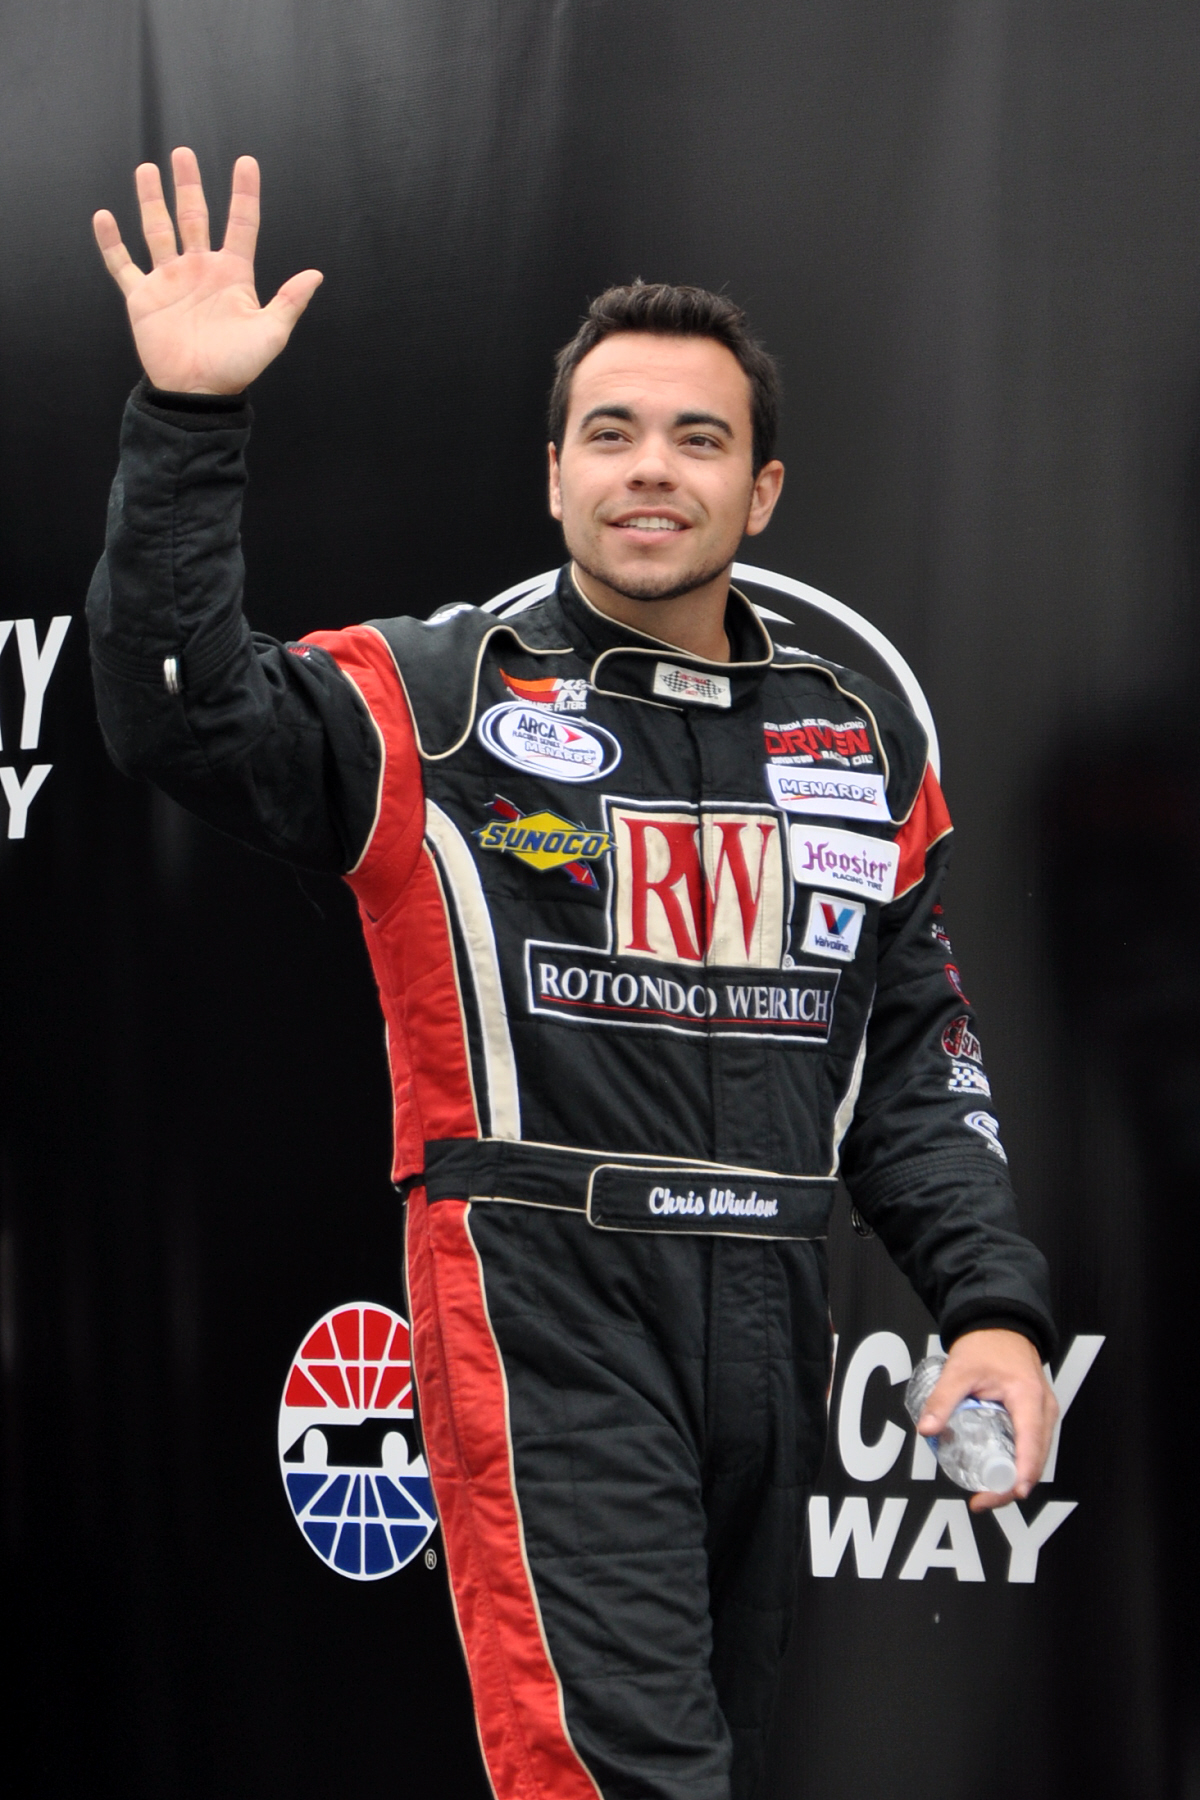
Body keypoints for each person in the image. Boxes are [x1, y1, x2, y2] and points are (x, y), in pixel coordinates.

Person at [89, 149, 1059, 1800]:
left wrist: (989, 1309)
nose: (650, 469)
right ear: (553, 475)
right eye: (610, 434)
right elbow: (178, 708)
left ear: (762, 491)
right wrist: (189, 421)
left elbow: (910, 1065)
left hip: (772, 1306)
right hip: (545, 1292)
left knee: (706, 1765)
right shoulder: (435, 700)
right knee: (616, 1778)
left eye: (698, 437)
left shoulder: (853, 737)